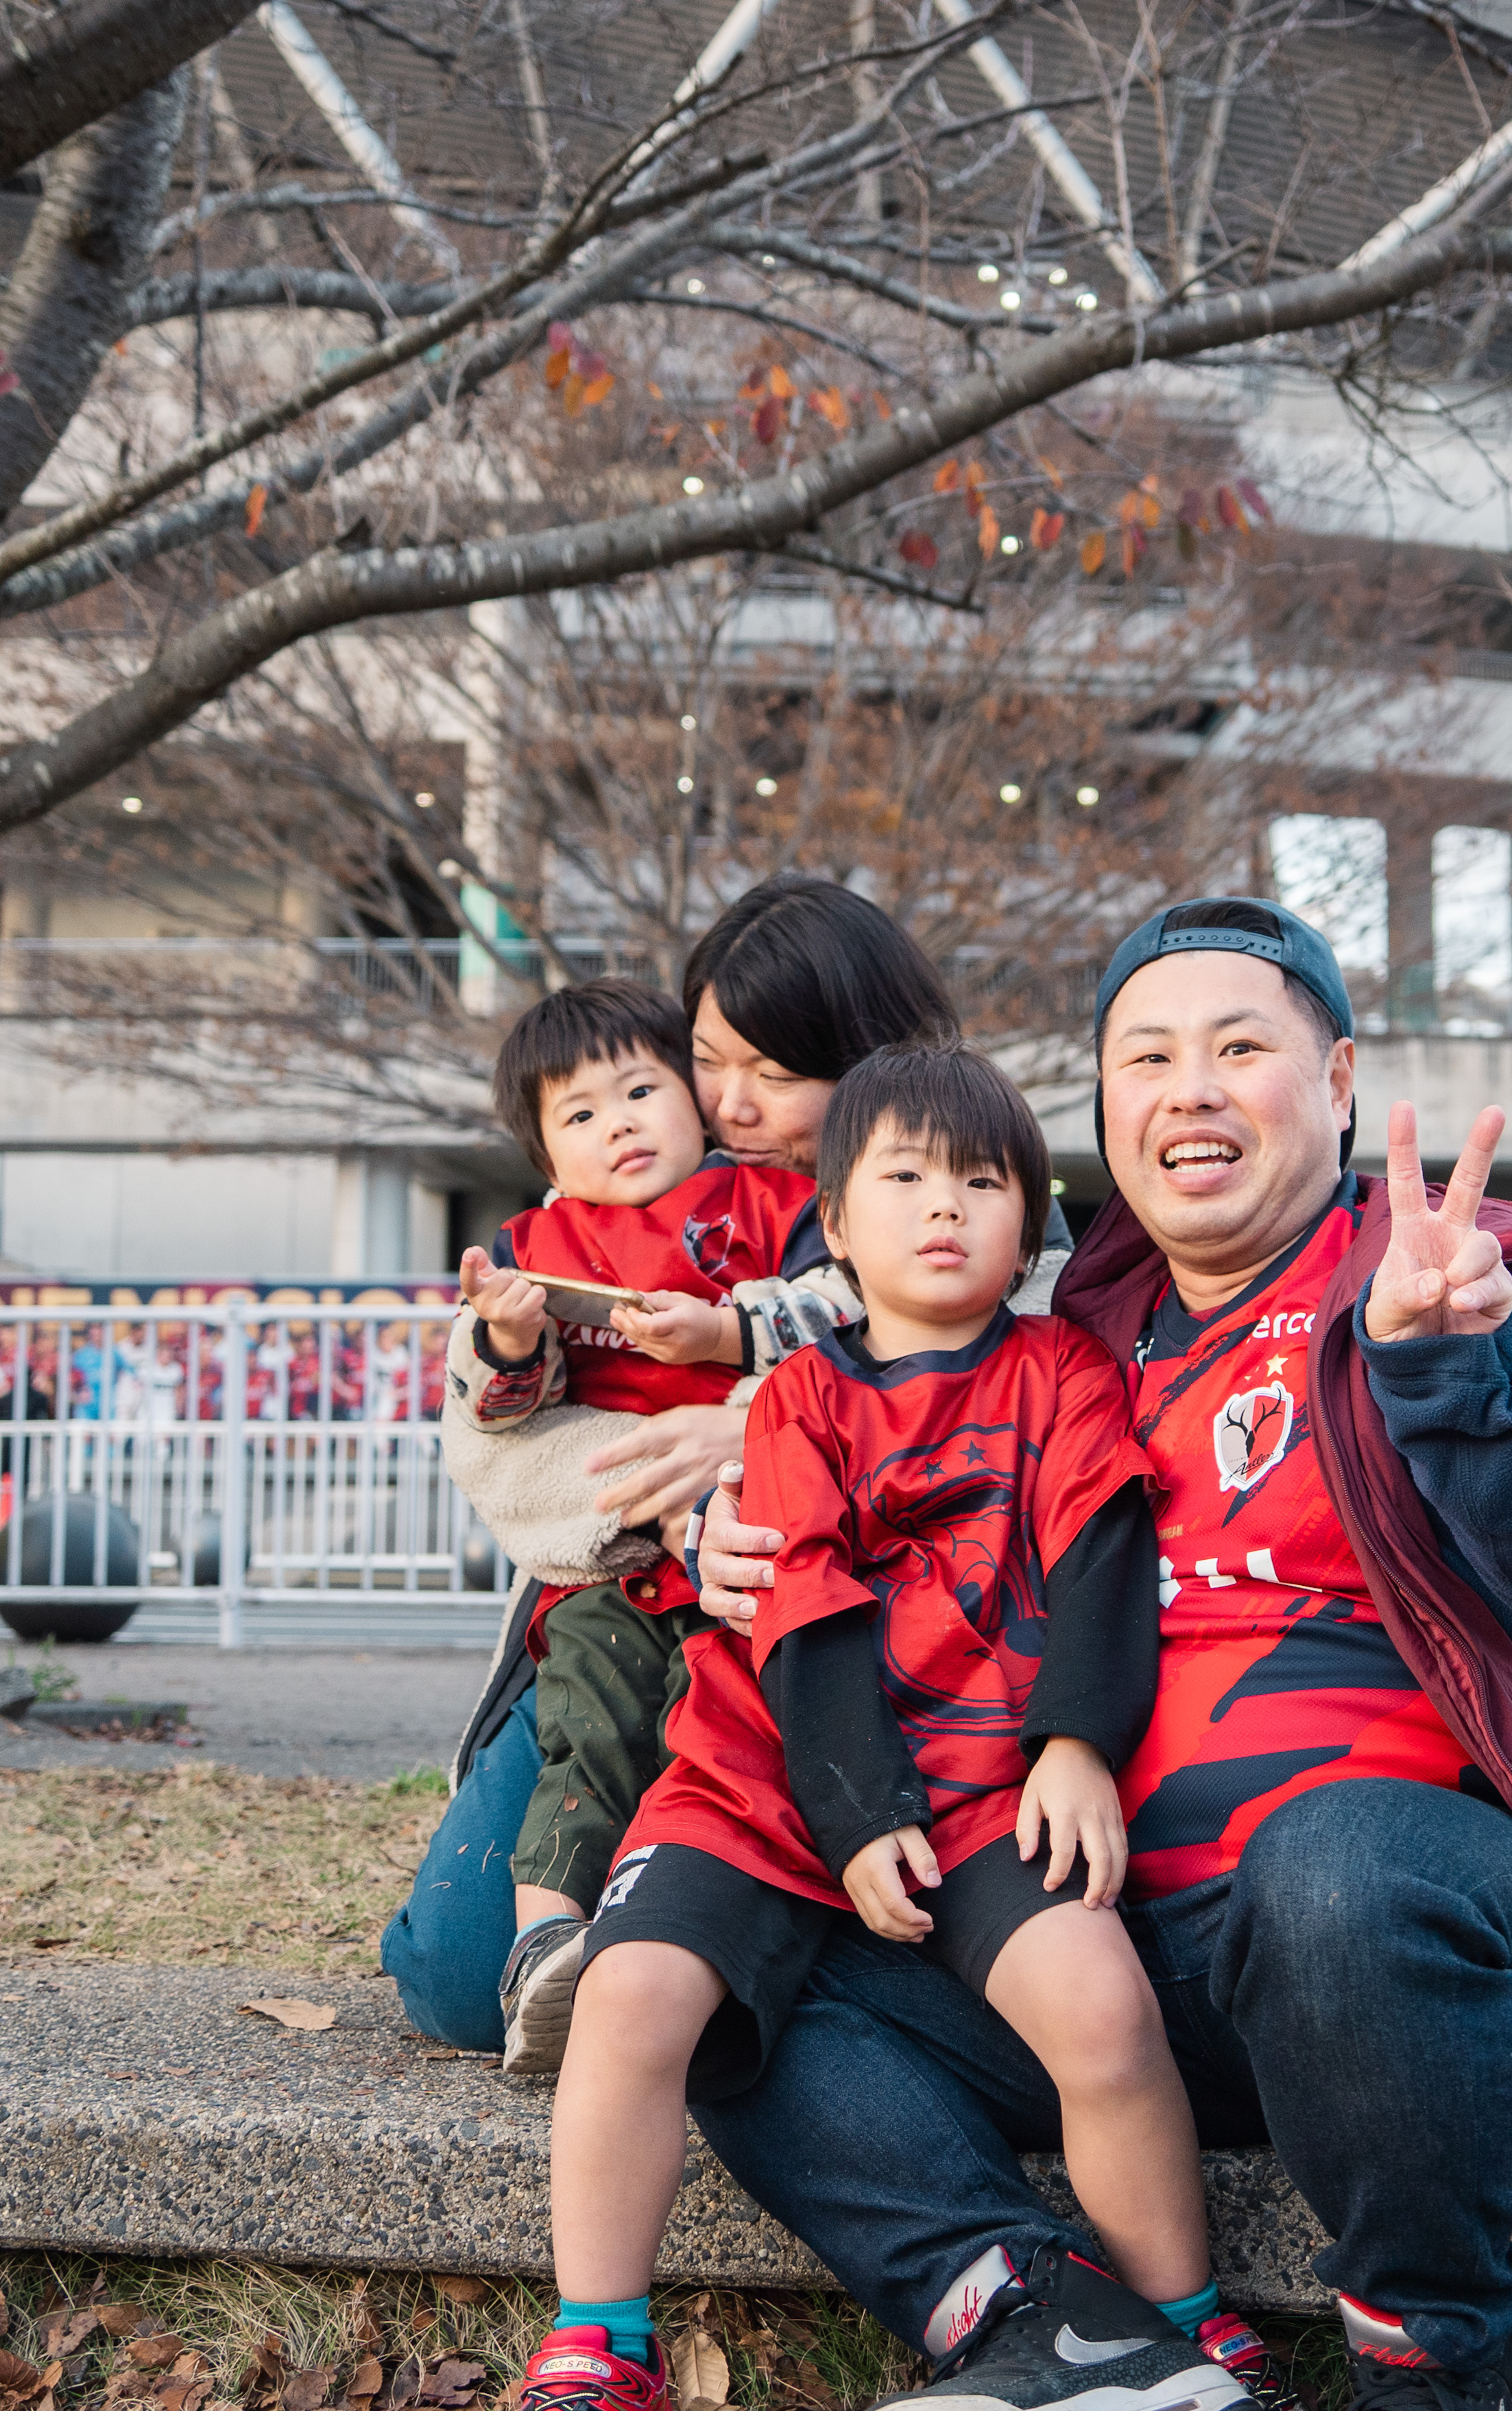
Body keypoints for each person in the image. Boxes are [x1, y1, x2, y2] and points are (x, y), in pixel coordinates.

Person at [685, 899, 1512, 2411]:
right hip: (1127, 1954)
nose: (1187, 1086)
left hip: (1420, 1953)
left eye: (1237, 1046)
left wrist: (1467, 1366)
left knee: (1334, 1875)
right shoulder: (1074, 1342)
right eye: (1145, 1055)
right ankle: (1063, 2337)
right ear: (1109, 1112)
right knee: (733, 1986)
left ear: (1333, 1081)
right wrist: (722, 1541)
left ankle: (1434, 2370)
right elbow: (878, 1503)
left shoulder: (1451, 1275)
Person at [512, 1043, 1246, 2411]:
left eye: (983, 1179)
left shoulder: (1063, 1373)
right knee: (630, 1994)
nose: (946, 1205)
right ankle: (599, 2336)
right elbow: (807, 1615)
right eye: (903, 1177)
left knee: (1101, 2009)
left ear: (1031, 1219)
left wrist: (1076, 1747)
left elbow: (1098, 1563)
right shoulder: (796, 1398)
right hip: (764, 1778)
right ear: (833, 1221)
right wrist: (855, 1819)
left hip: (985, 1784)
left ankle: (1181, 2327)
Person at [383, 878, 994, 2052]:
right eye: (709, 1057)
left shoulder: (964, 1194)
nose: (731, 1101)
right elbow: (494, 1441)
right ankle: (571, 1942)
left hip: (840, 1631)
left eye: (775, 1072)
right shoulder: (636, 1195)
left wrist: (758, 1425)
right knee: (453, 1970)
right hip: (625, 1583)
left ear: (870, 1060)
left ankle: (688, 1963)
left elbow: (957, 1384)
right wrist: (651, 1478)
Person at [448, 979, 820, 2076]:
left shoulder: (757, 1202)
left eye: (641, 1089)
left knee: (708, 1742)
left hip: (743, 1548)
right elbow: (504, 1409)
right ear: (544, 1155)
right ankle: (540, 1946)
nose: (617, 1122)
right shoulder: (536, 1247)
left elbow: (833, 1327)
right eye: (579, 1113)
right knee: (589, 1729)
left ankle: (660, 1941)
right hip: (610, 1575)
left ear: (693, 1098)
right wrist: (509, 1344)